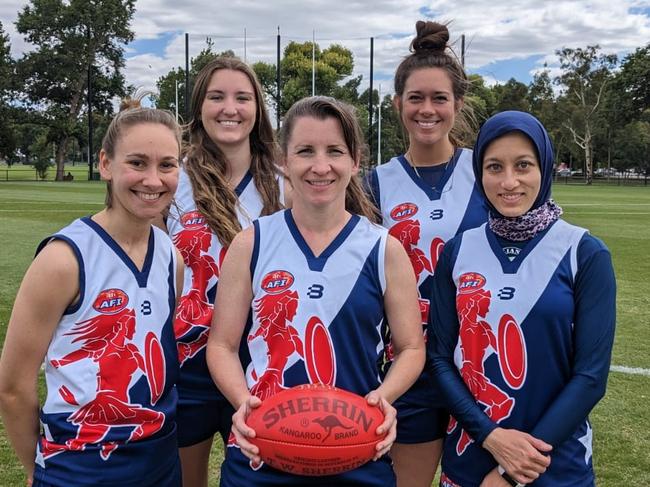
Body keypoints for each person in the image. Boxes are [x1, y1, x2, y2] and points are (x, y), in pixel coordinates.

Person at [206, 96, 426, 486]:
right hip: (261, 451)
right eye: (305, 151)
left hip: (358, 449)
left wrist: (384, 399)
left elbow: (411, 348)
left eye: (335, 151)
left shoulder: (383, 248)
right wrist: (243, 402)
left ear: (355, 160)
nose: (320, 166)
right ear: (283, 160)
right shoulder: (252, 243)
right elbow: (222, 345)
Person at [0, 104, 184, 487]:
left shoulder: (171, 258)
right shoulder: (64, 259)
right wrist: (39, 471)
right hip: (79, 468)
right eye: (137, 162)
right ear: (105, 164)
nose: (153, 179)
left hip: (160, 464)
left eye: (167, 165)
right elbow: (13, 387)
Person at [430, 111, 616, 487]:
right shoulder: (458, 251)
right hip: (470, 462)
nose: (509, 181)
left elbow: (590, 378)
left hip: (555, 469)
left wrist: (511, 471)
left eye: (524, 165)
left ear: (544, 168)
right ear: (480, 173)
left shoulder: (585, 253)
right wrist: (490, 437)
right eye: (494, 167)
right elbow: (439, 358)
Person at [365, 20, 488, 486]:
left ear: (457, 104)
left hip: (477, 361)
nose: (427, 109)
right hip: (405, 364)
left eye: (439, 98)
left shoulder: (487, 174)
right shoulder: (374, 183)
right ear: (397, 104)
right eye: (415, 98)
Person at [165, 56, 284, 487]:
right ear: (199, 106)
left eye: (242, 97)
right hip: (186, 365)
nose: (229, 108)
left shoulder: (286, 182)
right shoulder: (170, 181)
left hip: (262, 364)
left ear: (258, 110)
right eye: (216, 97)